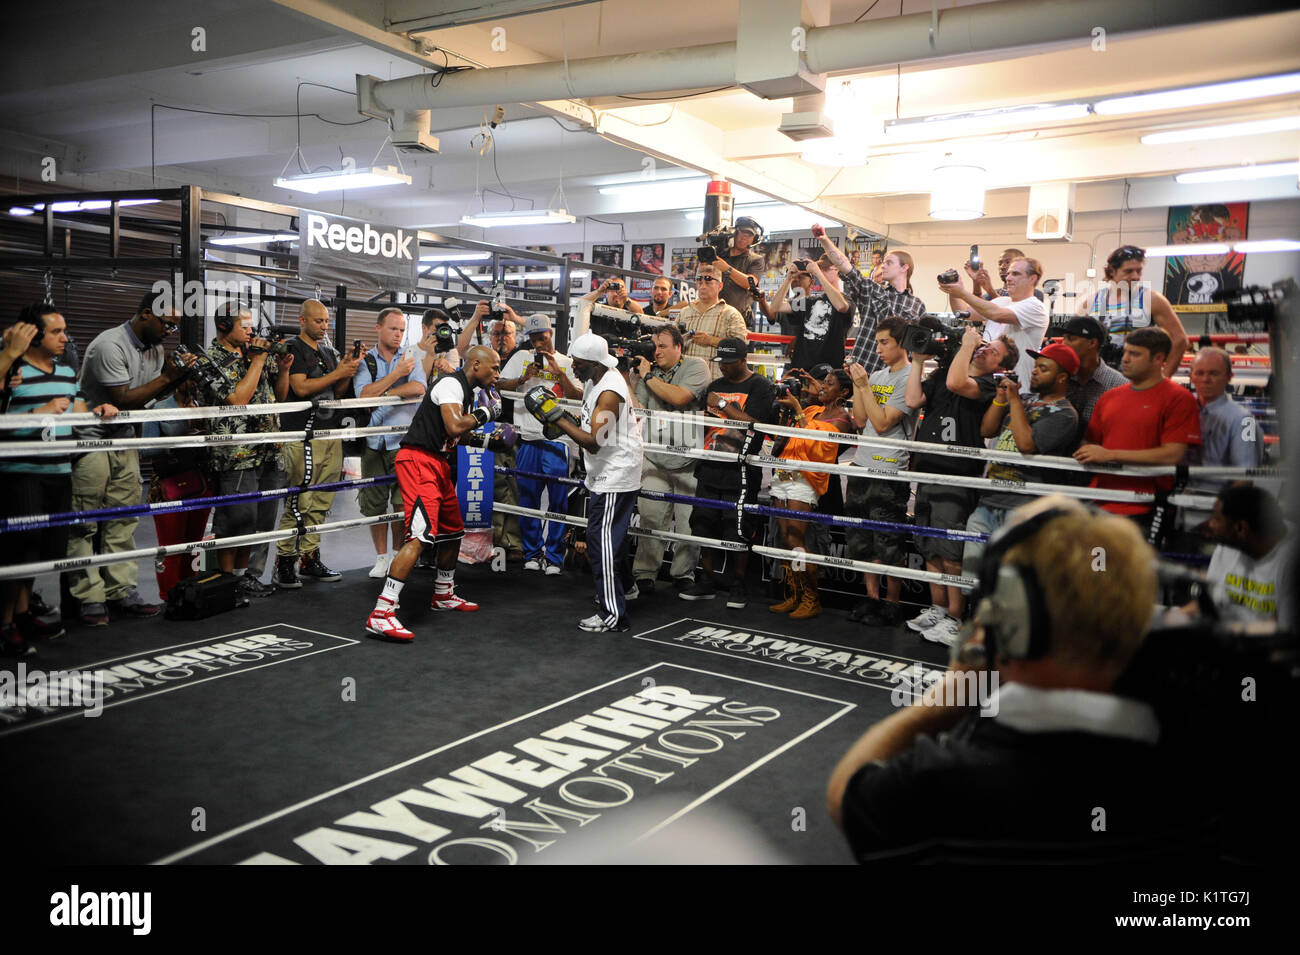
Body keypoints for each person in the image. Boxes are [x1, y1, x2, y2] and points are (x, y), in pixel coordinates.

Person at [829, 497, 1211, 863]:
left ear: (1013, 623)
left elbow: (845, 795)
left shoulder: (948, 781)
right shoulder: (1203, 767)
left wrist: (948, 700)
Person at [1, 306, 118, 655]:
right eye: (56, 332)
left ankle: (22, 616)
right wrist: (40, 412)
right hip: (21, 474)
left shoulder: (67, 372)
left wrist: (99, 411)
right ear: (33, 335)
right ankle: (4, 625)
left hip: (59, 471)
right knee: (15, 553)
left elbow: (77, 412)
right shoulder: (14, 372)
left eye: (64, 331)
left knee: (39, 551)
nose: (65, 338)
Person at [364, 345, 500, 641]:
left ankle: (443, 594)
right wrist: (485, 412)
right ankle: (382, 612)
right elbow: (453, 426)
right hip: (418, 461)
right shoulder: (451, 384)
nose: (498, 375)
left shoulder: (465, 391)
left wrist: (490, 441)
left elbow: (459, 435)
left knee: (452, 531)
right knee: (421, 535)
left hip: (437, 463)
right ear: (476, 365)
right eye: (495, 368)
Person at [69, 290, 189, 626]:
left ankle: (119, 591)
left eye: (175, 327)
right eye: (167, 323)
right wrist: (166, 377)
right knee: (85, 523)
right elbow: (122, 399)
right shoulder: (110, 345)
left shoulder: (154, 348)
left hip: (123, 438)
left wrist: (175, 378)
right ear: (147, 314)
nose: (170, 331)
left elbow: (150, 397)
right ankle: (88, 597)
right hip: (90, 441)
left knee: (124, 519)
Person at [905, 325, 1017, 646]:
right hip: (928, 468)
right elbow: (913, 399)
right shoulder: (943, 374)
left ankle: (957, 616)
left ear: (1001, 367)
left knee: (952, 551)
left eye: (992, 351)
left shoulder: (987, 383)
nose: (984, 349)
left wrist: (967, 344)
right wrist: (916, 362)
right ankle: (938, 608)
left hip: (957, 473)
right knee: (929, 544)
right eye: (984, 345)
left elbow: (958, 382)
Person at [527, 333, 643, 633]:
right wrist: (562, 412)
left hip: (615, 473)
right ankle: (626, 588)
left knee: (599, 540)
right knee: (608, 538)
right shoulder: (598, 380)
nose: (574, 369)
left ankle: (612, 614)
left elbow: (593, 442)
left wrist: (557, 418)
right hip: (606, 470)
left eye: (578, 364)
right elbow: (585, 401)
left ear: (594, 364)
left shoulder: (612, 392)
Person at [199, 302, 292, 599]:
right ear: (225, 326)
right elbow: (238, 398)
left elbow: (280, 395)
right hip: (236, 452)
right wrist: (258, 361)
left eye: (252, 325)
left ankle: (249, 576)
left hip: (269, 448)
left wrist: (284, 369)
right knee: (236, 518)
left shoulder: (255, 354)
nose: (251, 330)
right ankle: (227, 580)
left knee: (262, 520)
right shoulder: (211, 359)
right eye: (245, 325)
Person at [962, 343, 1080, 576]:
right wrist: (1000, 399)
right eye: (1036, 366)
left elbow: (1027, 445)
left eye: (1044, 369)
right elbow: (987, 430)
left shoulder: (1066, 414)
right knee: (973, 579)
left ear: (1062, 378)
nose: (1035, 371)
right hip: (988, 500)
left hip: (1023, 509)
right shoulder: (1023, 399)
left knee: (1009, 583)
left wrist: (1014, 401)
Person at [1073, 327, 1201, 538]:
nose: (1125, 359)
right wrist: (1086, 451)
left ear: (1159, 358)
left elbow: (1173, 454)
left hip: (1145, 505)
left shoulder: (1178, 398)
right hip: (1100, 499)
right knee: (1097, 567)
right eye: (1125, 352)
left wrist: (1110, 454)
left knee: (1136, 570)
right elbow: (1090, 442)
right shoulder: (1109, 397)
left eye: (1135, 354)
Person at [273, 299, 361, 588]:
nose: (324, 327)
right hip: (302, 435)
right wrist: (338, 373)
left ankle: (309, 557)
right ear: (302, 321)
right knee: (300, 500)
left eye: (326, 321)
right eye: (318, 321)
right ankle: (285, 561)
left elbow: (337, 390)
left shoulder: (327, 351)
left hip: (329, 432)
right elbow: (299, 388)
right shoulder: (292, 348)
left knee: (322, 500)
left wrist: (347, 368)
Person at [682, 338, 777, 607]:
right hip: (710, 464)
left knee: (737, 529)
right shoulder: (715, 386)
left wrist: (723, 407)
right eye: (720, 362)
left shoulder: (760, 386)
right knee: (702, 523)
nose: (723, 367)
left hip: (741, 469)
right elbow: (706, 423)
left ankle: (739, 585)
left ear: (743, 359)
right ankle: (708, 580)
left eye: (728, 362)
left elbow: (757, 426)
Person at [844, 317, 919, 627]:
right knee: (862, 539)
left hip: (889, 468)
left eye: (884, 342)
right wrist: (856, 384)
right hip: (863, 462)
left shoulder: (909, 379)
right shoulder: (876, 375)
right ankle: (872, 598)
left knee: (888, 539)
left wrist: (863, 386)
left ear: (902, 343)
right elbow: (862, 421)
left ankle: (892, 602)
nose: (878, 349)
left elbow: (885, 422)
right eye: (877, 343)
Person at [629, 324, 710, 595]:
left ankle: (683, 574)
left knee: (688, 523)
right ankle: (645, 573)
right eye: (655, 345)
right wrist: (626, 379)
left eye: (663, 345)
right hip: (653, 456)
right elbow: (637, 409)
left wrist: (648, 375)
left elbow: (680, 397)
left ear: (679, 346)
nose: (657, 350)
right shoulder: (647, 373)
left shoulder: (696, 366)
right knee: (650, 518)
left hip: (689, 459)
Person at [768, 368, 854, 621]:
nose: (823, 387)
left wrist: (797, 408)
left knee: (797, 541)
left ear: (844, 392)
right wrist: (795, 400)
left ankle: (811, 598)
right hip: (784, 473)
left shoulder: (842, 419)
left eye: (830, 384)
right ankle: (795, 594)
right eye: (823, 383)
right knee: (785, 540)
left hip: (805, 480)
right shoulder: (812, 410)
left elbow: (819, 440)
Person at [498, 313, 581, 573]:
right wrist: (522, 379)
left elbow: (580, 396)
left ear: (551, 334)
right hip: (529, 437)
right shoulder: (521, 358)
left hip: (559, 439)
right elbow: (499, 386)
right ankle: (532, 552)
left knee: (558, 500)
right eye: (533, 339)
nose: (538, 343)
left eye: (542, 337)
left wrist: (560, 374)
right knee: (528, 499)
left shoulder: (567, 363)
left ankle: (554, 556)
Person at [355, 307, 427, 579]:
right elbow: (363, 397)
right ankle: (381, 557)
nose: (398, 334)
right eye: (393, 329)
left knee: (401, 503)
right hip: (374, 440)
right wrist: (397, 375)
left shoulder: (411, 357)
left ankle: (397, 554)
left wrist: (384, 391)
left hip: (402, 441)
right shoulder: (366, 361)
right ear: (378, 328)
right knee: (373, 504)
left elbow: (419, 388)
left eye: (401, 329)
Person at [815, 228, 926, 376]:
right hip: (862, 372)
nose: (883, 266)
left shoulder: (917, 305)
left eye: (889, 262)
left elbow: (919, 349)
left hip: (896, 381)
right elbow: (846, 267)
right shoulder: (872, 291)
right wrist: (824, 240)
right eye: (883, 262)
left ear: (904, 268)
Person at [1189, 485, 1293, 629]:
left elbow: (1287, 639)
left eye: (1217, 519)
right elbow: (1210, 605)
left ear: (1240, 528)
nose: (1210, 524)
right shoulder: (1228, 547)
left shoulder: (1291, 562)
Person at [942, 256, 1049, 389]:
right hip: (987, 384)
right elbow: (963, 311)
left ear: (1032, 278)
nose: (1008, 278)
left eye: (1015, 274)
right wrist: (954, 289)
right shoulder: (1001, 302)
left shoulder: (1035, 307)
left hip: (1017, 389)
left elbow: (996, 314)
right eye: (1009, 273)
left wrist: (962, 293)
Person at [1084, 245, 1189, 378]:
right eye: (1128, 271)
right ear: (1111, 272)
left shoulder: (1152, 299)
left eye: (1138, 271)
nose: (1135, 276)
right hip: (1098, 378)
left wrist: (1164, 377)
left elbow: (1179, 340)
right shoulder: (1092, 301)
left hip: (1137, 380)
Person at [772, 255, 855, 373]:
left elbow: (841, 306)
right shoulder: (810, 301)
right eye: (819, 268)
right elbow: (776, 306)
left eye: (825, 269)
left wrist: (818, 273)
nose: (821, 271)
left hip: (829, 372)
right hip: (801, 370)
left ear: (838, 271)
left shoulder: (847, 300)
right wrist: (788, 278)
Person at [1060, 316, 1126, 439]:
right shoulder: (1059, 377)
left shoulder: (1119, 385)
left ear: (1092, 343)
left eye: (1071, 339)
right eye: (1064, 338)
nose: (1064, 344)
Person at [676, 265, 749, 370]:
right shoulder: (684, 313)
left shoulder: (731, 314)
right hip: (685, 380)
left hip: (716, 380)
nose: (703, 286)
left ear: (720, 286)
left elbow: (740, 349)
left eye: (708, 281)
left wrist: (710, 340)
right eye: (699, 281)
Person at [713, 216, 766, 317]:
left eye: (749, 235)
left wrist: (727, 269)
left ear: (754, 239)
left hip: (738, 316)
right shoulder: (719, 255)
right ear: (735, 234)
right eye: (741, 232)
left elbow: (750, 283)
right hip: (714, 313)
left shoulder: (756, 260)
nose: (744, 237)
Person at [965, 247, 1045, 302]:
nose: (1002, 267)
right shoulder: (989, 295)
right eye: (1000, 263)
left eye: (1007, 262)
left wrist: (990, 290)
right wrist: (976, 281)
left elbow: (1009, 312)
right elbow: (977, 314)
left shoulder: (1034, 295)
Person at [416, 306, 460, 378]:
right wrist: (430, 355)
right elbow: (419, 382)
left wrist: (447, 369)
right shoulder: (411, 352)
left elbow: (456, 378)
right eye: (437, 330)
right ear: (424, 328)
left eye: (444, 330)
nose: (441, 334)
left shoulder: (449, 350)